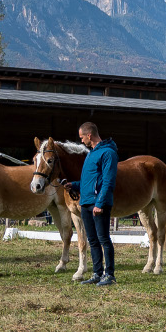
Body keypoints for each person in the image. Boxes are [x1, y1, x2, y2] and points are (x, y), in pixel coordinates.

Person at [68, 122, 119, 286]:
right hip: (86, 202)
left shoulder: (108, 153)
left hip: (98, 204)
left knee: (104, 238)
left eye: (82, 137)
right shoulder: (91, 154)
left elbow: (108, 181)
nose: (81, 141)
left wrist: (100, 203)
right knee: (93, 240)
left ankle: (109, 274)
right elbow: (87, 181)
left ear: (89, 135)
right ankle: (97, 273)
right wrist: (74, 185)